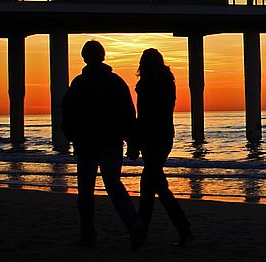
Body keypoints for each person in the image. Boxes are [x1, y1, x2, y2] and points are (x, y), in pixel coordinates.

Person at [62, 40, 144, 248]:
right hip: (111, 143)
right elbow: (128, 114)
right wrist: (132, 142)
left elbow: (68, 113)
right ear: (103, 56)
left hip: (87, 145)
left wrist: (71, 136)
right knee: (114, 187)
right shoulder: (116, 81)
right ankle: (133, 226)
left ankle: (88, 235)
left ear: (84, 58)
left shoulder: (79, 83)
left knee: (86, 192)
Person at [128, 48, 193, 247]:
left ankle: (176, 229)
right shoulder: (168, 83)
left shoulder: (146, 86)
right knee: (153, 185)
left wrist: (134, 143)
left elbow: (143, 118)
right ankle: (150, 231)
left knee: (153, 185)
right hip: (165, 138)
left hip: (151, 139)